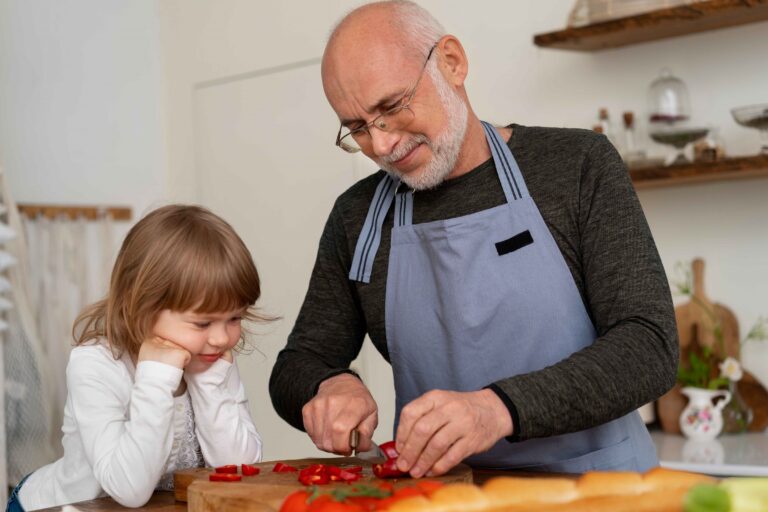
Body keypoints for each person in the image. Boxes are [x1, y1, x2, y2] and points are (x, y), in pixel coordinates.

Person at [269, 0, 678, 477]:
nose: (381, 146)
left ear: (451, 63)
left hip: (597, 490)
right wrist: (328, 385)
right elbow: (297, 364)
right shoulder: (357, 217)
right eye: (358, 128)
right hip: (441, 497)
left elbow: (649, 346)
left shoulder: (576, 166)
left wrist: (497, 409)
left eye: (392, 107)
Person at [9, 205, 266, 511]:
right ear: (142, 305)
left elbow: (239, 470)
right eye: (203, 323)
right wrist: (156, 377)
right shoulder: (95, 364)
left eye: (235, 318)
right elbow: (129, 490)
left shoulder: (210, 357)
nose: (222, 338)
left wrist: (209, 382)